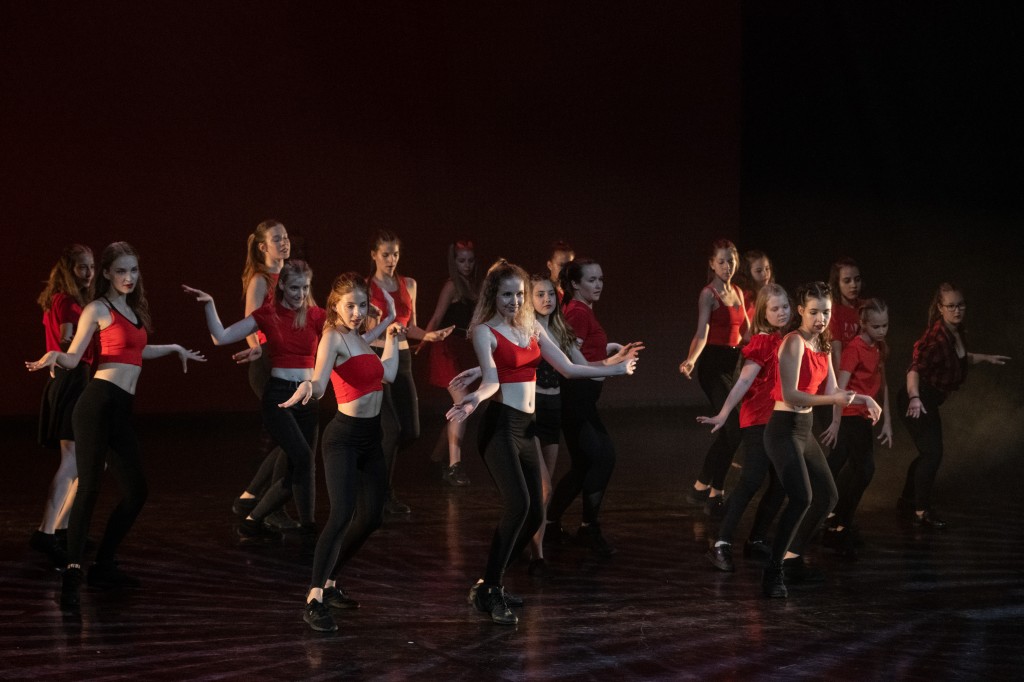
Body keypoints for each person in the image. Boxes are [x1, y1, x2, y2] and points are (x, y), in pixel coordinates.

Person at [446, 260, 639, 625]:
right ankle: (491, 588)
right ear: (493, 295)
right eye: (507, 295)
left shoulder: (531, 326)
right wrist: (472, 400)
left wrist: (614, 368)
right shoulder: (485, 331)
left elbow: (568, 367)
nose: (515, 301)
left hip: (527, 427)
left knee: (536, 511)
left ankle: (489, 584)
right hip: (501, 428)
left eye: (520, 295)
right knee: (519, 505)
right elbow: (491, 381)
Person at [26, 241, 206, 610]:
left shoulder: (131, 309)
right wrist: (54, 355)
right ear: (106, 273)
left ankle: (104, 565)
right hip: (97, 404)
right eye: (121, 271)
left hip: (121, 408)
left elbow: (135, 351)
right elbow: (74, 357)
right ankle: (72, 574)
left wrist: (174, 348)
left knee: (136, 491)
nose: (128, 277)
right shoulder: (97, 308)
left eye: (133, 270)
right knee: (89, 488)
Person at [277, 273, 405, 632]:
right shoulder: (333, 337)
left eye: (362, 305)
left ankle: (331, 582)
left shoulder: (361, 340)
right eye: (350, 306)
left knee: (372, 517)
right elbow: (320, 382)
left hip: (371, 439)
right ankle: (314, 597)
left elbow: (388, 374)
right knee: (342, 514)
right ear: (335, 306)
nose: (357, 312)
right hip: (344, 439)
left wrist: (391, 338)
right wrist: (309, 387)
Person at [183, 260, 327, 545]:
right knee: (302, 459)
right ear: (281, 285)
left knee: (303, 464)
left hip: (308, 397)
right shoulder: (268, 314)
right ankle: (254, 519)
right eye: (294, 288)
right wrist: (210, 304)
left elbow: (345, 338)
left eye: (305, 288)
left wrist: (380, 322)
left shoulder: (315, 315)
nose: (300, 294)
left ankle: (305, 525)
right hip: (279, 397)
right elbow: (221, 337)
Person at [760, 282, 880, 598]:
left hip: (804, 428)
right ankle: (773, 572)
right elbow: (791, 395)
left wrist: (863, 399)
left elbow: (833, 391)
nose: (820, 319)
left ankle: (792, 559)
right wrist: (835, 401)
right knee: (802, 498)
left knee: (827, 496)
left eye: (826, 312)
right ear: (801, 311)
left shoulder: (823, 344)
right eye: (814, 312)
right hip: (783, 430)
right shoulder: (794, 342)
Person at [546, 257, 643, 556]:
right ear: (575, 284)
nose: (599, 284)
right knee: (603, 458)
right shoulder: (577, 312)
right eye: (592, 280)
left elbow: (585, 354)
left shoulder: (582, 309)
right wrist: (616, 366)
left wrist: (611, 353)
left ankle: (551, 523)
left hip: (582, 397)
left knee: (585, 464)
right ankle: (588, 528)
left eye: (601, 279)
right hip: (576, 398)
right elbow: (573, 361)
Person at [898, 283, 1010, 528]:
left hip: (927, 398)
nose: (957, 310)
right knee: (933, 453)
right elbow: (913, 368)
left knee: (929, 453)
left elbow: (959, 357)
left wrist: (985, 358)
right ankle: (920, 511)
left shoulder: (955, 332)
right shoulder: (935, 337)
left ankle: (907, 501)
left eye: (960, 305)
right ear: (940, 308)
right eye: (951, 306)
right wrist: (915, 398)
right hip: (917, 397)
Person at [698, 283, 791, 572]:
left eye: (785, 307)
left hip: (776, 420)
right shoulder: (762, 343)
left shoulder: (783, 340)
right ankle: (721, 544)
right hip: (758, 421)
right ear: (763, 312)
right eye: (774, 308)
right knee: (751, 479)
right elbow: (744, 381)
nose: (781, 312)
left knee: (781, 483)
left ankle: (756, 539)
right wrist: (724, 413)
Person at [367, 230, 454, 514]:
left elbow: (411, 325)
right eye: (385, 254)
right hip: (378, 356)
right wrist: (384, 328)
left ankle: (373, 468)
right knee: (390, 430)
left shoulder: (409, 284)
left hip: (402, 357)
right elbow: (365, 330)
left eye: (395, 254)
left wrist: (428, 336)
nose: (391, 259)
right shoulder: (366, 288)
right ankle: (383, 494)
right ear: (374, 255)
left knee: (412, 431)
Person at [30, 244, 96, 568]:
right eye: (83, 267)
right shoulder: (69, 303)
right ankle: (47, 532)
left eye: (92, 267)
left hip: (68, 380)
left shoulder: (57, 300)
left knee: (85, 462)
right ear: (69, 270)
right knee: (73, 461)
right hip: (72, 380)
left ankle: (62, 528)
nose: (89, 273)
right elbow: (68, 338)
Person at [231, 219, 299, 530]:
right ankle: (270, 507)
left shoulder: (290, 276)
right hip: (267, 362)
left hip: (290, 361)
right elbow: (250, 322)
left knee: (290, 439)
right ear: (262, 247)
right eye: (277, 239)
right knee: (289, 438)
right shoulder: (260, 280)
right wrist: (257, 348)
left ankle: (251, 497)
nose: (284, 242)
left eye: (285, 237)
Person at [679, 239, 749, 518]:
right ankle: (715, 492)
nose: (727, 266)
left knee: (731, 430)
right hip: (712, 366)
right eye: (721, 261)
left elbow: (746, 333)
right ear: (712, 264)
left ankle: (701, 487)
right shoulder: (708, 294)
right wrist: (691, 359)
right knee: (733, 428)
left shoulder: (738, 292)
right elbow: (702, 333)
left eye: (731, 261)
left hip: (733, 365)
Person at [820, 298, 893, 556]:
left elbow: (882, 385)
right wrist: (836, 422)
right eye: (876, 326)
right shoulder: (854, 349)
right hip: (851, 414)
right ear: (863, 324)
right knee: (863, 469)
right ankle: (839, 523)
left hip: (865, 416)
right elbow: (839, 389)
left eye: (885, 325)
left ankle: (837, 521)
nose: (882, 331)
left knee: (855, 469)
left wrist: (887, 422)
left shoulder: (879, 348)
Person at [424, 239, 480, 486]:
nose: (466, 265)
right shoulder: (451, 286)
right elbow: (437, 318)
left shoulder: (473, 286)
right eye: (461, 261)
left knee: (462, 406)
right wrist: (424, 340)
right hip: (447, 348)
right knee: (463, 402)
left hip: (464, 350)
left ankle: (436, 459)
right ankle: (454, 465)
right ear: (453, 262)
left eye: (470, 261)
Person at [734, 249, 773, 329]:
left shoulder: (771, 293)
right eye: (759, 271)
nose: (765, 274)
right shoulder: (746, 297)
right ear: (748, 273)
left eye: (767, 268)